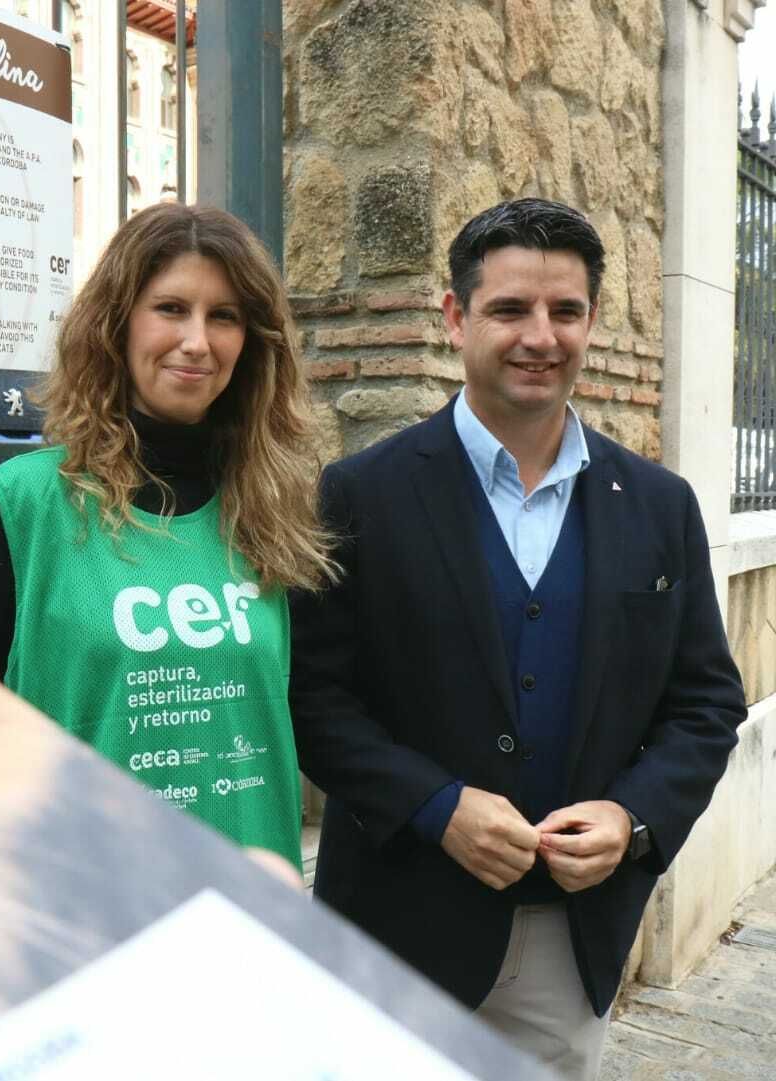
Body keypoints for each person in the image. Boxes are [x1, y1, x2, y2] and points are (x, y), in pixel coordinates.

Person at [288, 197, 745, 1080]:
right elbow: (312, 693)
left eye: (564, 311)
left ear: (591, 322)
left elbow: (705, 702)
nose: (541, 335)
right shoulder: (360, 495)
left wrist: (633, 816)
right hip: (395, 921)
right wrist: (436, 806)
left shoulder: (658, 506)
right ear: (456, 317)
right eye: (509, 309)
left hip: (566, 945)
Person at [0, 202, 336, 871]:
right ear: (116, 325)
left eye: (225, 316)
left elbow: (312, 711)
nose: (198, 341)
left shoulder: (273, 509)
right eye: (171, 308)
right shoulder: (22, 507)